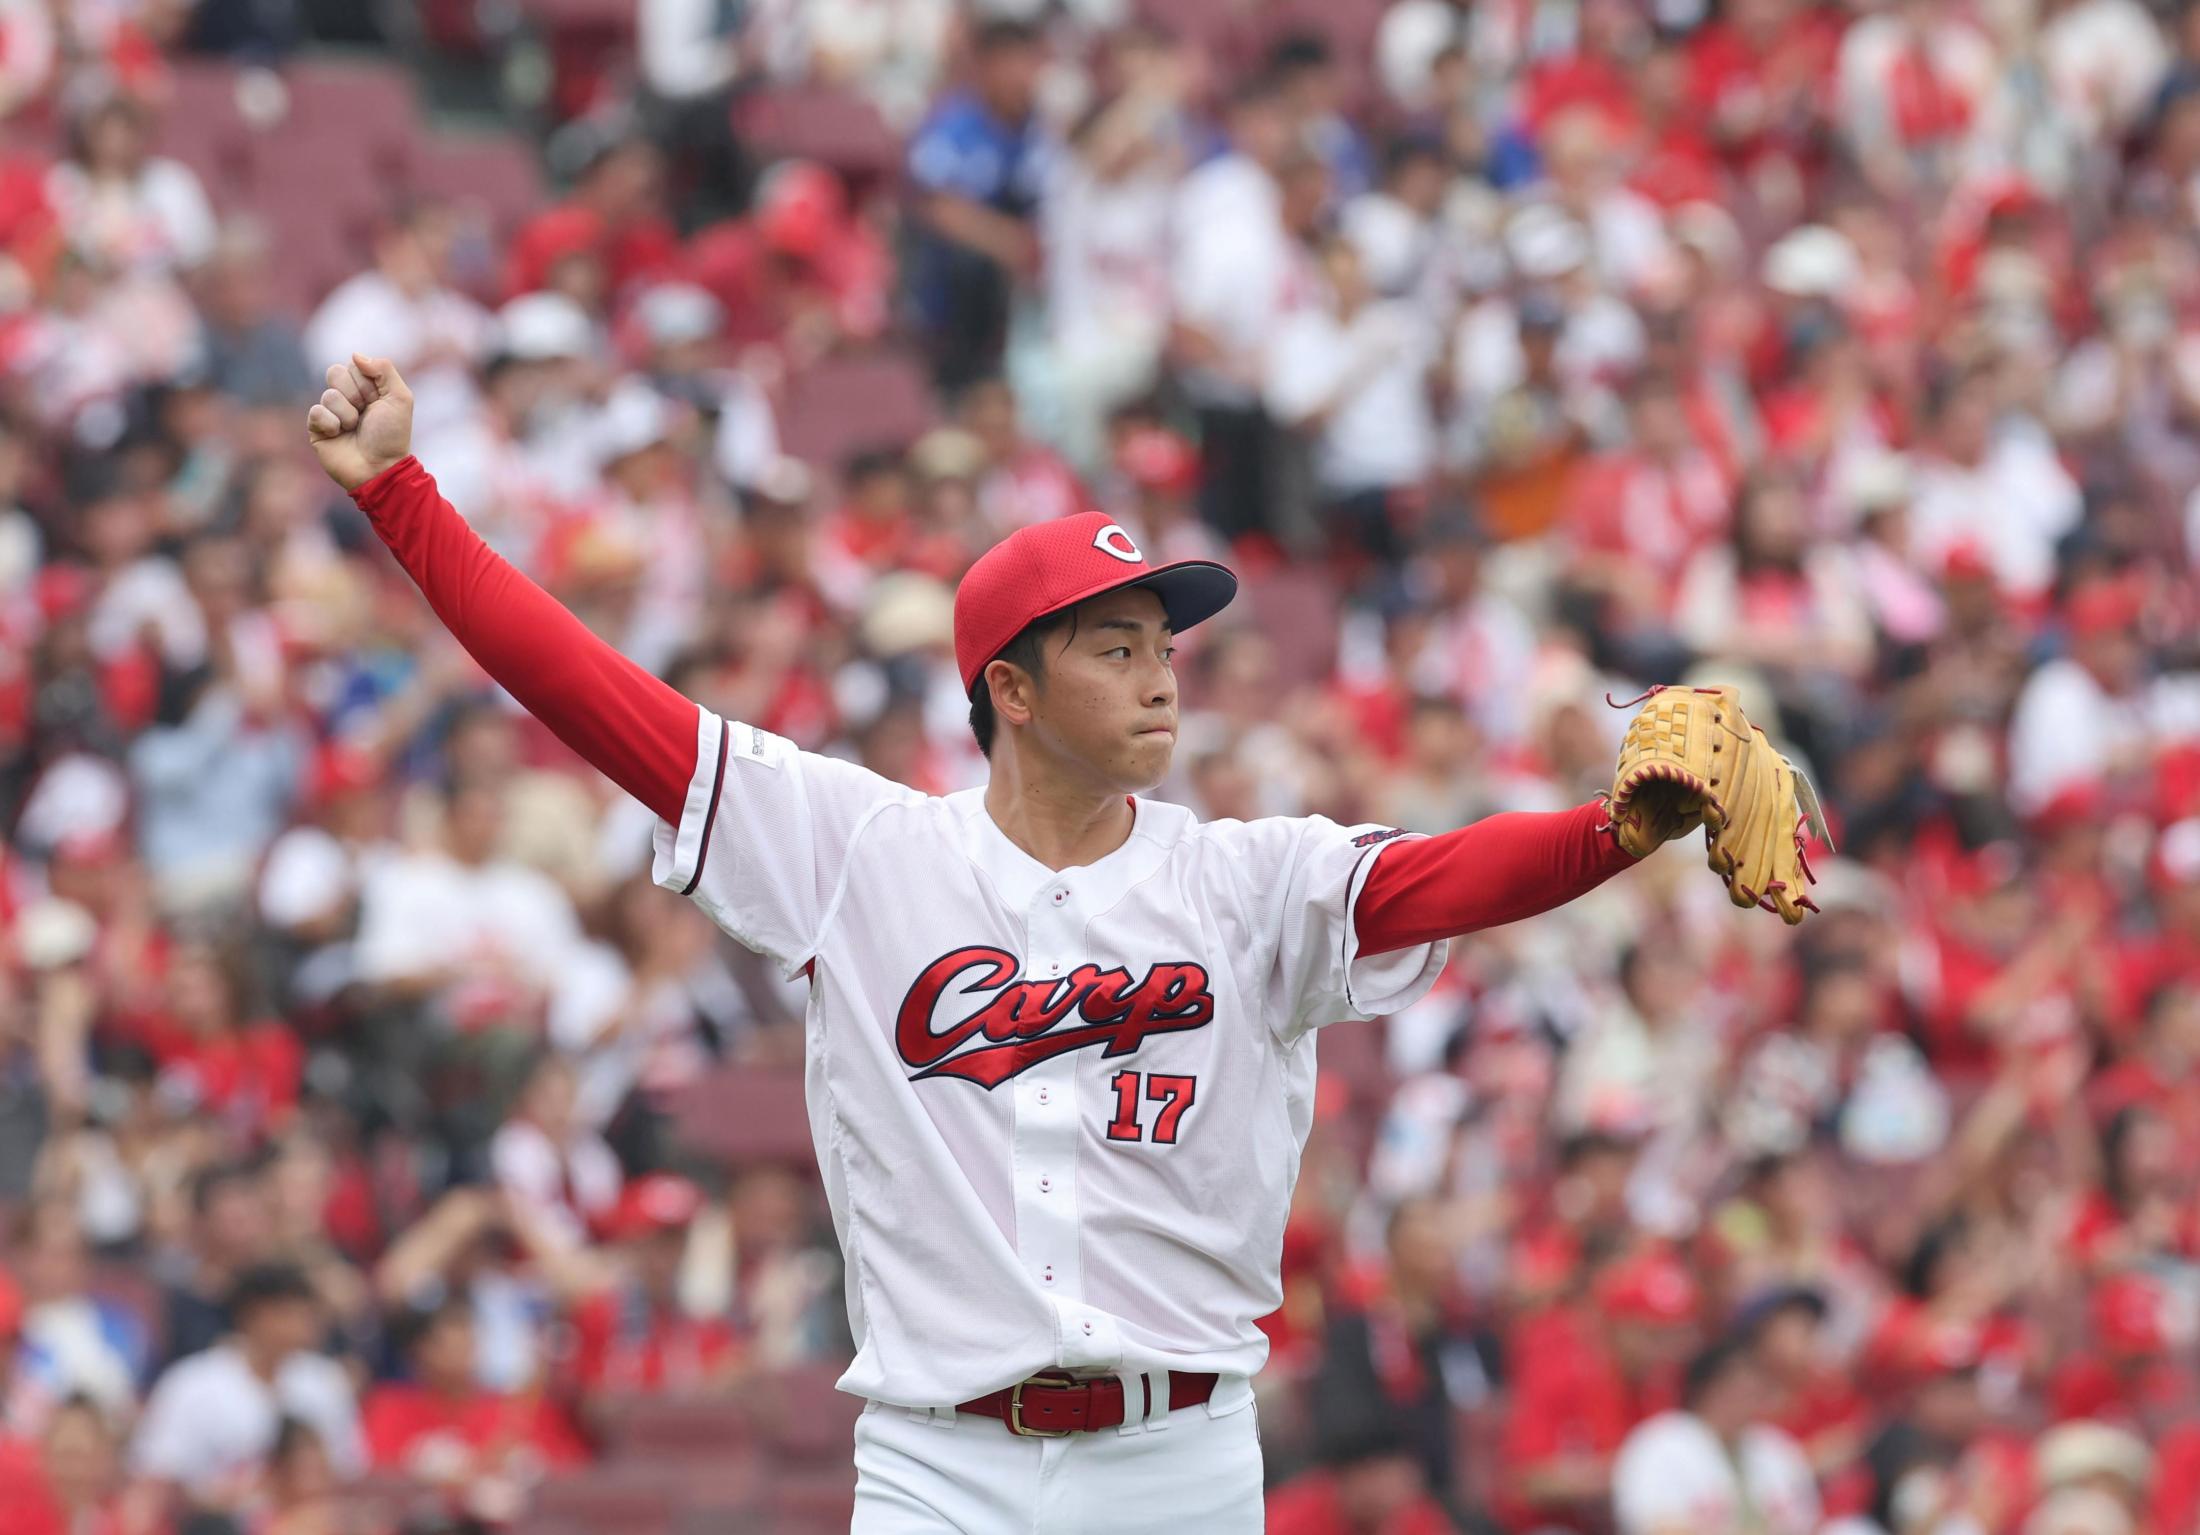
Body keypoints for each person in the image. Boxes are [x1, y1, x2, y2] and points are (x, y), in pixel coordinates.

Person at [306, 352, 1699, 1532]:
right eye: (1116, 648)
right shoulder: (861, 854)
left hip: (1182, 1461)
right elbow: (594, 695)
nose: (1160, 678)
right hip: (939, 1467)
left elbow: (1444, 879)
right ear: (1012, 692)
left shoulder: (1243, 878)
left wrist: (1616, 831)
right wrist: (400, 495)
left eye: (1165, 647)